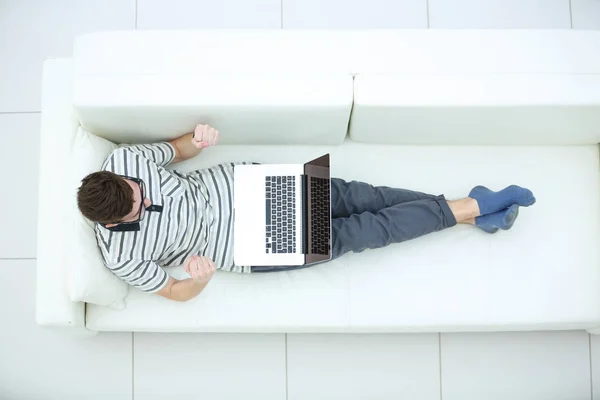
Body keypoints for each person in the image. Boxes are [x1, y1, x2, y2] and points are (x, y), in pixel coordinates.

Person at [77, 124, 536, 302]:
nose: (146, 197)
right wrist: (197, 278)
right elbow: (176, 291)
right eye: (139, 208)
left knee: (363, 196)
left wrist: (197, 141)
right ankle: (474, 205)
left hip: (253, 186)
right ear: (116, 223)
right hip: (249, 246)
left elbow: (177, 151)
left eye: (137, 190)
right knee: (366, 231)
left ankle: (470, 211)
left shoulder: (125, 163)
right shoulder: (120, 257)